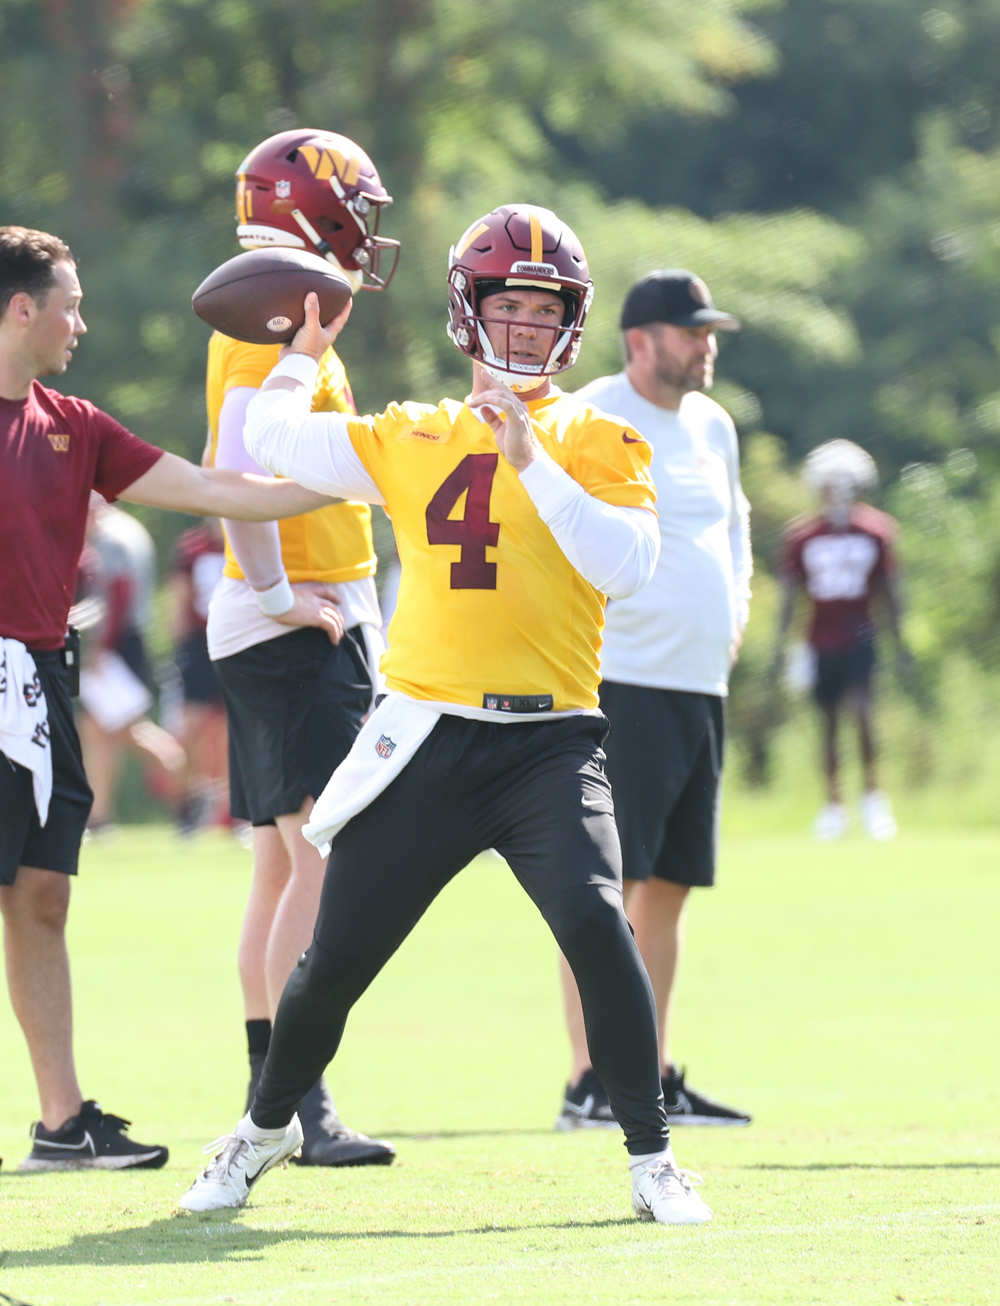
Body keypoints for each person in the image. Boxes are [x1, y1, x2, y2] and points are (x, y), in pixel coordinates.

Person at [180, 203, 712, 1227]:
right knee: (332, 961)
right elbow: (277, 441)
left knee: (600, 925)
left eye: (541, 306)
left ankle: (651, 1156)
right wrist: (299, 350)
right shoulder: (413, 429)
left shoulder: (599, 435)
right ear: (470, 312)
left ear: (571, 320)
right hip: (425, 733)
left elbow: (628, 567)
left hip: (549, 743)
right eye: (506, 303)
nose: (522, 323)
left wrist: (531, 461)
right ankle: (261, 1129)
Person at [0, 225, 346, 1171]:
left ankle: (63, 1126)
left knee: (40, 901)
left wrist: (365, 474)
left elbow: (210, 489)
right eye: (70, 302)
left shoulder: (74, 424)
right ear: (21, 308)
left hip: (37, 684)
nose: (82, 321)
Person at [204, 130, 398, 1167]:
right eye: (354, 208)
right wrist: (280, 594)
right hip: (290, 623)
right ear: (310, 211)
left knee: (280, 869)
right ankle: (292, 1105)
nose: (366, 231)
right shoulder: (265, 326)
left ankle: (274, 1098)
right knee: (316, 863)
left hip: (287, 617)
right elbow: (232, 475)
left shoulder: (282, 319)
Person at [553, 269, 754, 1132]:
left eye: (708, 331)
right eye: (690, 332)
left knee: (667, 886)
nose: (704, 345)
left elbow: (735, 531)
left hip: (696, 685)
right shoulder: (590, 412)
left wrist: (734, 615)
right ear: (641, 341)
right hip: (620, 680)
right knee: (607, 886)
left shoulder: (713, 423)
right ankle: (593, 1081)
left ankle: (655, 1074)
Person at [773, 439, 905, 841]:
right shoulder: (801, 535)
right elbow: (790, 596)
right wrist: (782, 647)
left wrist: (900, 644)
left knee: (863, 715)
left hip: (861, 637)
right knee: (827, 724)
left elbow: (891, 591)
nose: (838, 492)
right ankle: (833, 804)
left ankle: (872, 798)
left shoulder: (877, 530)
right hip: (819, 640)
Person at [76, 496, 185, 831]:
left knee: (129, 730)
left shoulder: (110, 538)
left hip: (118, 643)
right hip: (126, 641)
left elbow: (116, 596)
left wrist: (99, 648)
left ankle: (187, 794)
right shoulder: (126, 529)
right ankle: (100, 815)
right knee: (99, 731)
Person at [168, 519, 228, 834]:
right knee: (192, 727)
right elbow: (179, 600)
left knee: (237, 728)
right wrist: (179, 648)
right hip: (199, 644)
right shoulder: (193, 547)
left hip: (237, 640)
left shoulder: (248, 534)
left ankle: (235, 809)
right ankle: (187, 806)